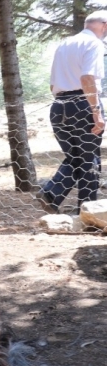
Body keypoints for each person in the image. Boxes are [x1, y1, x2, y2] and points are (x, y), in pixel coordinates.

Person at [36, 11, 107, 214]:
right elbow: (87, 78)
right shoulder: (94, 44)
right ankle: (88, 210)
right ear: (104, 25)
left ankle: (52, 194)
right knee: (89, 159)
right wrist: (96, 112)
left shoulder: (65, 44)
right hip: (83, 103)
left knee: (76, 157)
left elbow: (52, 85)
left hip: (59, 106)